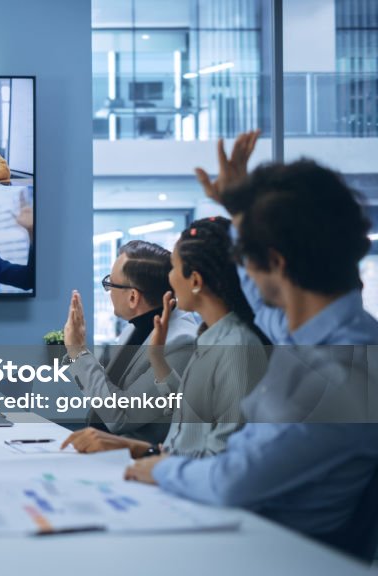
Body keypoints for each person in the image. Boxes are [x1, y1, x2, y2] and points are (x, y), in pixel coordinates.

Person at [124, 131, 378, 550]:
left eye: (245, 256)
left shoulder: (339, 376)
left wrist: (158, 468)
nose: (239, 267)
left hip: (269, 552)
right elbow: (263, 303)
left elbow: (232, 481)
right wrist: (241, 210)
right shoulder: (322, 331)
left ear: (275, 263)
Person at [64, 218, 269, 458]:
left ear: (194, 281)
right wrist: (159, 362)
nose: (167, 280)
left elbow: (220, 456)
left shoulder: (228, 345)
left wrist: (78, 352)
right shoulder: (205, 337)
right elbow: (183, 430)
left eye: (173, 268)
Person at [62, 240, 199, 445]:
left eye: (110, 284)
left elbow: (121, 415)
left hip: (137, 461)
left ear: (133, 297)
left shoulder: (181, 342)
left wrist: (78, 352)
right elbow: (106, 394)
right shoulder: (132, 328)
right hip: (100, 449)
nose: (108, 291)